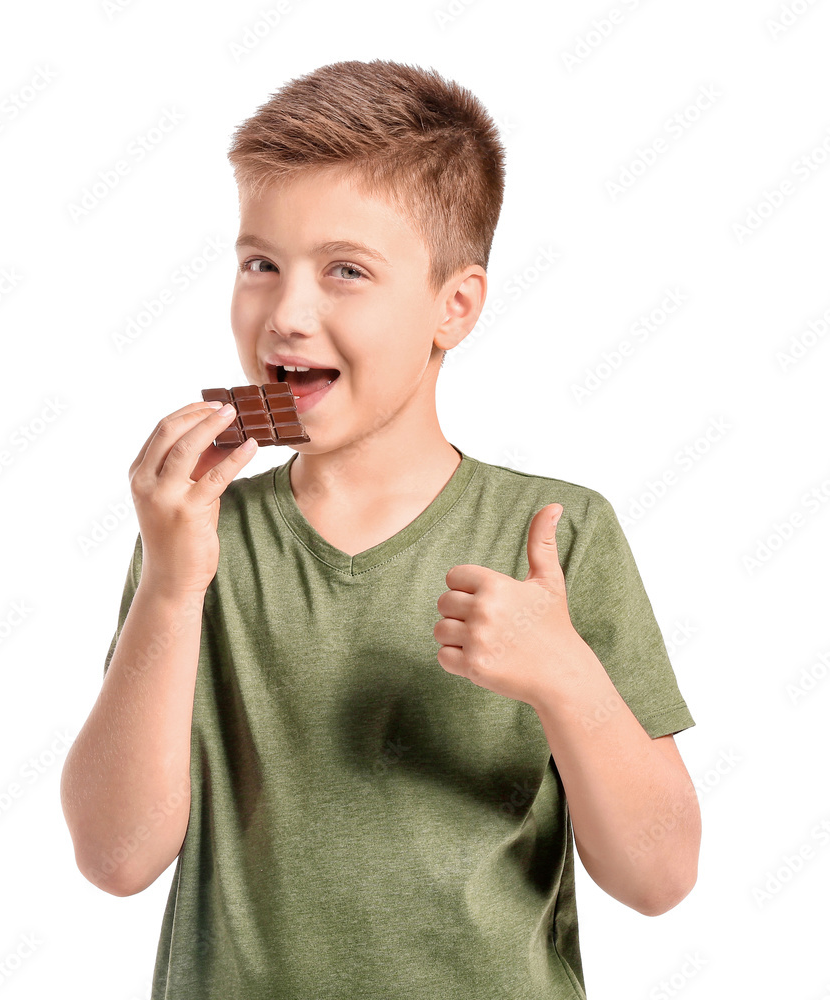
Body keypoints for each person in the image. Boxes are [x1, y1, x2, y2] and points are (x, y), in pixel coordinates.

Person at [60, 59, 700, 999]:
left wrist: (564, 678)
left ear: (455, 307)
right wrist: (169, 582)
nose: (286, 313)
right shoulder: (200, 537)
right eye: (259, 264)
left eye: (346, 271)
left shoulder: (555, 534)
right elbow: (116, 858)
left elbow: (659, 878)